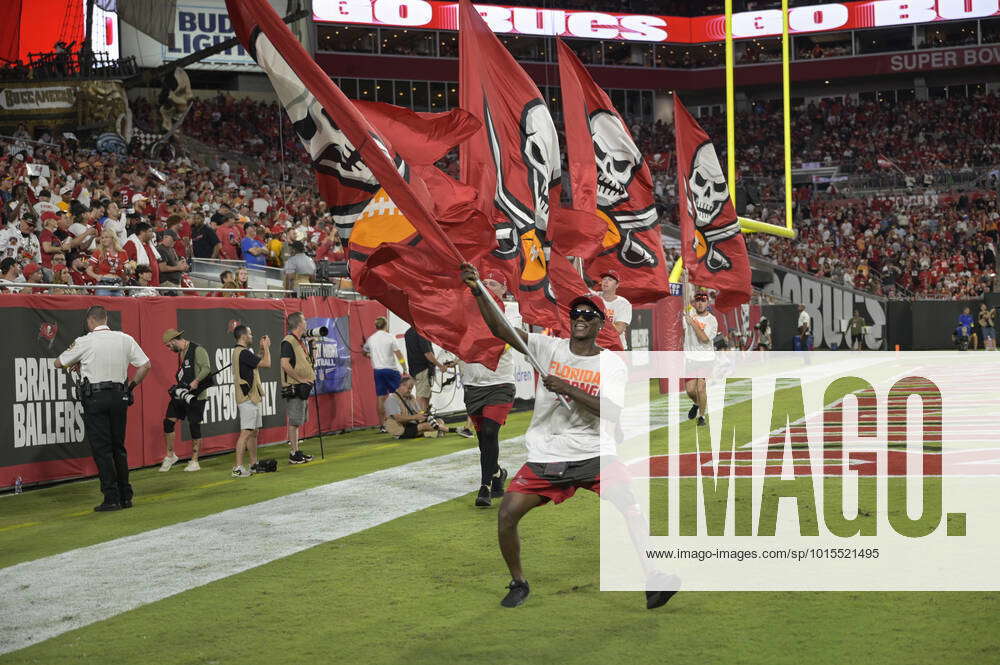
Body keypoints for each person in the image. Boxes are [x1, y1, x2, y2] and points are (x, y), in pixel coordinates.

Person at [460, 263, 674, 609]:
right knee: (507, 515)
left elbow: (613, 411)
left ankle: (654, 579)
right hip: (547, 454)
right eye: (576, 312)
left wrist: (568, 387)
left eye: (589, 314)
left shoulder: (612, 364)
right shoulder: (549, 348)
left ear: (600, 323)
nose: (581, 317)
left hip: (594, 453)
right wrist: (476, 291)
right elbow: (502, 330)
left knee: (631, 506)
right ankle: (518, 583)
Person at [54, 306, 151, 511]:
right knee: (119, 447)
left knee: (102, 449)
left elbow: (58, 363)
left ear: (90, 322)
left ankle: (111, 497)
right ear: (106, 319)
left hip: (96, 398)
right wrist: (131, 386)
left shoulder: (85, 341)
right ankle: (126, 495)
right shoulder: (125, 338)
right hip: (119, 395)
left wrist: (80, 361)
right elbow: (145, 365)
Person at [457, 272, 516, 507]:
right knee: (483, 440)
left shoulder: (512, 311)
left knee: (491, 433)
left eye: (493, 284)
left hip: (500, 381)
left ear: (504, 289)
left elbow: (507, 336)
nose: (488, 287)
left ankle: (485, 487)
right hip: (473, 383)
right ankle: (497, 473)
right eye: (485, 283)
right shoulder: (465, 311)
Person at [160, 329, 213, 472]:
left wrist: (196, 380)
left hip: (197, 395)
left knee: (194, 426)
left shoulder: (198, 349)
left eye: (169, 346)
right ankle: (170, 455)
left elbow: (206, 368)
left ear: (174, 341)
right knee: (168, 422)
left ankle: (195, 461)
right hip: (183, 393)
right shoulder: (181, 352)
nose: (169, 349)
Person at [232, 324, 271, 477]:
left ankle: (253, 464)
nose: (252, 336)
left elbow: (257, 361)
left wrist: (261, 349)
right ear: (243, 336)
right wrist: (267, 347)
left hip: (250, 397)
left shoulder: (242, 352)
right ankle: (238, 468)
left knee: (253, 432)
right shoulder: (243, 352)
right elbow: (267, 364)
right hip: (247, 398)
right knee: (246, 433)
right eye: (250, 334)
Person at [280, 312, 315, 464]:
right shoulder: (288, 341)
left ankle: (296, 450)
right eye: (304, 320)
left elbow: (307, 362)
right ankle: (293, 453)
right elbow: (285, 364)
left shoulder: (300, 341)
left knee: (298, 421)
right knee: (294, 421)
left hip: (303, 385)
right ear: (299, 324)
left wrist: (313, 348)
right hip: (295, 386)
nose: (306, 322)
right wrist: (300, 379)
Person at [363, 316, 406, 433]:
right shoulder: (390, 337)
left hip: (378, 371)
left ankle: (383, 426)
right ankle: (402, 421)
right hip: (391, 370)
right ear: (386, 325)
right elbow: (399, 355)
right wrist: (404, 368)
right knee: (399, 396)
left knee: (380, 398)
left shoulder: (371, 339)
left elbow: (364, 351)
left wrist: (370, 355)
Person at [383, 375, 461, 439]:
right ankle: (454, 430)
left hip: (411, 425)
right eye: (409, 388)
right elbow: (398, 418)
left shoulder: (411, 397)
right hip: (400, 431)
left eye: (411, 388)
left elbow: (418, 413)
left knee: (439, 421)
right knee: (425, 425)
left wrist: (425, 413)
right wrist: (415, 417)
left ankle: (436, 431)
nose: (410, 391)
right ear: (401, 386)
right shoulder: (392, 399)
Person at [683, 289, 716, 427]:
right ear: (694, 303)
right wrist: (685, 279)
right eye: (698, 300)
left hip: (706, 359)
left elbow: (703, 338)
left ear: (707, 303)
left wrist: (693, 323)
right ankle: (696, 403)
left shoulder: (712, 320)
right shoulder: (689, 314)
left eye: (703, 300)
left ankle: (702, 417)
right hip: (691, 358)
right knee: (690, 390)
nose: (700, 303)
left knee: (701, 388)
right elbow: (684, 302)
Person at [404, 325, 450, 414]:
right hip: (422, 369)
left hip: (415, 369)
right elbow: (428, 353)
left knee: (425, 394)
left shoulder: (408, 333)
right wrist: (440, 365)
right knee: (422, 395)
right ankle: (422, 419)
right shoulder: (421, 332)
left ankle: (425, 417)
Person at [87, 228, 129, 297]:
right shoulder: (98, 252)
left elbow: (127, 273)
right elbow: (88, 270)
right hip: (103, 284)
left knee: (118, 306)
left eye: (106, 237)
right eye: (102, 238)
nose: (103, 240)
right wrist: (96, 276)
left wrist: (128, 270)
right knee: (103, 306)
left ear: (113, 238)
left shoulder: (122, 253)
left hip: (118, 284)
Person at [597, 270, 632, 349]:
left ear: (617, 285)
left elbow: (618, 330)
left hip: (616, 348)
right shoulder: (593, 297)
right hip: (596, 348)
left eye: (610, 280)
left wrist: (596, 325)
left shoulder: (623, 304)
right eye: (604, 279)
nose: (606, 282)